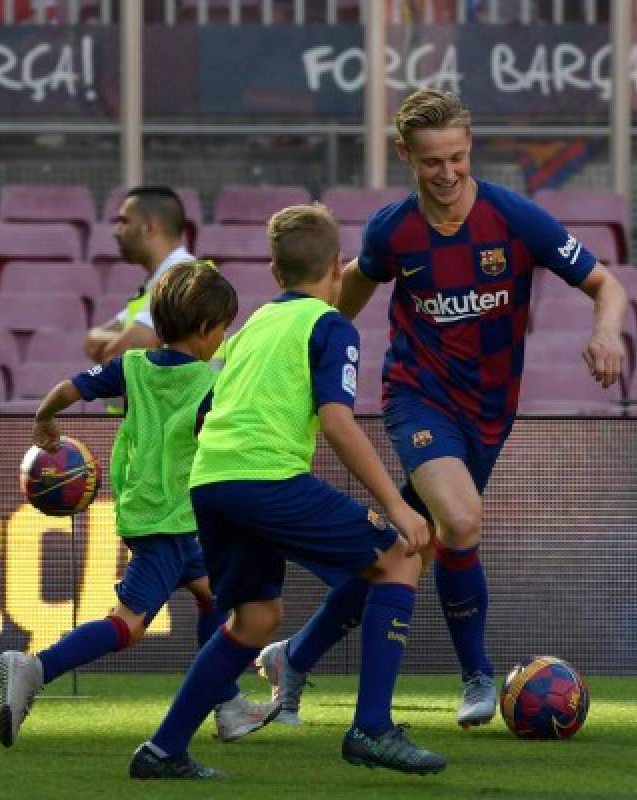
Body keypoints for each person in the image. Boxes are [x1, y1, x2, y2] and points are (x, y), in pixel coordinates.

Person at [257, 89, 628, 730]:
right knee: (460, 519)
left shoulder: (515, 219)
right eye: (433, 161)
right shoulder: (392, 232)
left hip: (490, 412)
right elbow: (338, 305)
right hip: (418, 396)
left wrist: (606, 332)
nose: (449, 173)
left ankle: (296, 657)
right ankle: (479, 674)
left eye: (457, 157)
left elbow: (606, 285)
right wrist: (290, 364)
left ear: (470, 149)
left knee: (407, 547)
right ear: (406, 155)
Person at [128, 204, 443, 781]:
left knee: (255, 618)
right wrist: (398, 508)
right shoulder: (330, 326)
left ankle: (162, 750)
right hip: (263, 477)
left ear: (274, 275)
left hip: (213, 482)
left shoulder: (250, 330)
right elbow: (338, 419)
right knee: (403, 556)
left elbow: (206, 414)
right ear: (339, 270)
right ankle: (372, 729)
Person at [0, 260, 277, 749]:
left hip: (160, 517)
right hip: (171, 523)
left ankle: (228, 705)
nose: (224, 339)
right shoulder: (210, 386)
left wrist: (45, 420)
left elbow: (70, 389)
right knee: (129, 624)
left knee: (215, 596)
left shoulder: (131, 367)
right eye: (224, 330)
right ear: (209, 329)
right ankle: (36, 668)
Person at [85, 186, 195, 364]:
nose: (116, 231)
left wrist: (121, 341)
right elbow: (91, 344)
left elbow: (123, 352)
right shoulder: (157, 282)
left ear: (149, 228)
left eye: (124, 221)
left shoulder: (185, 277)